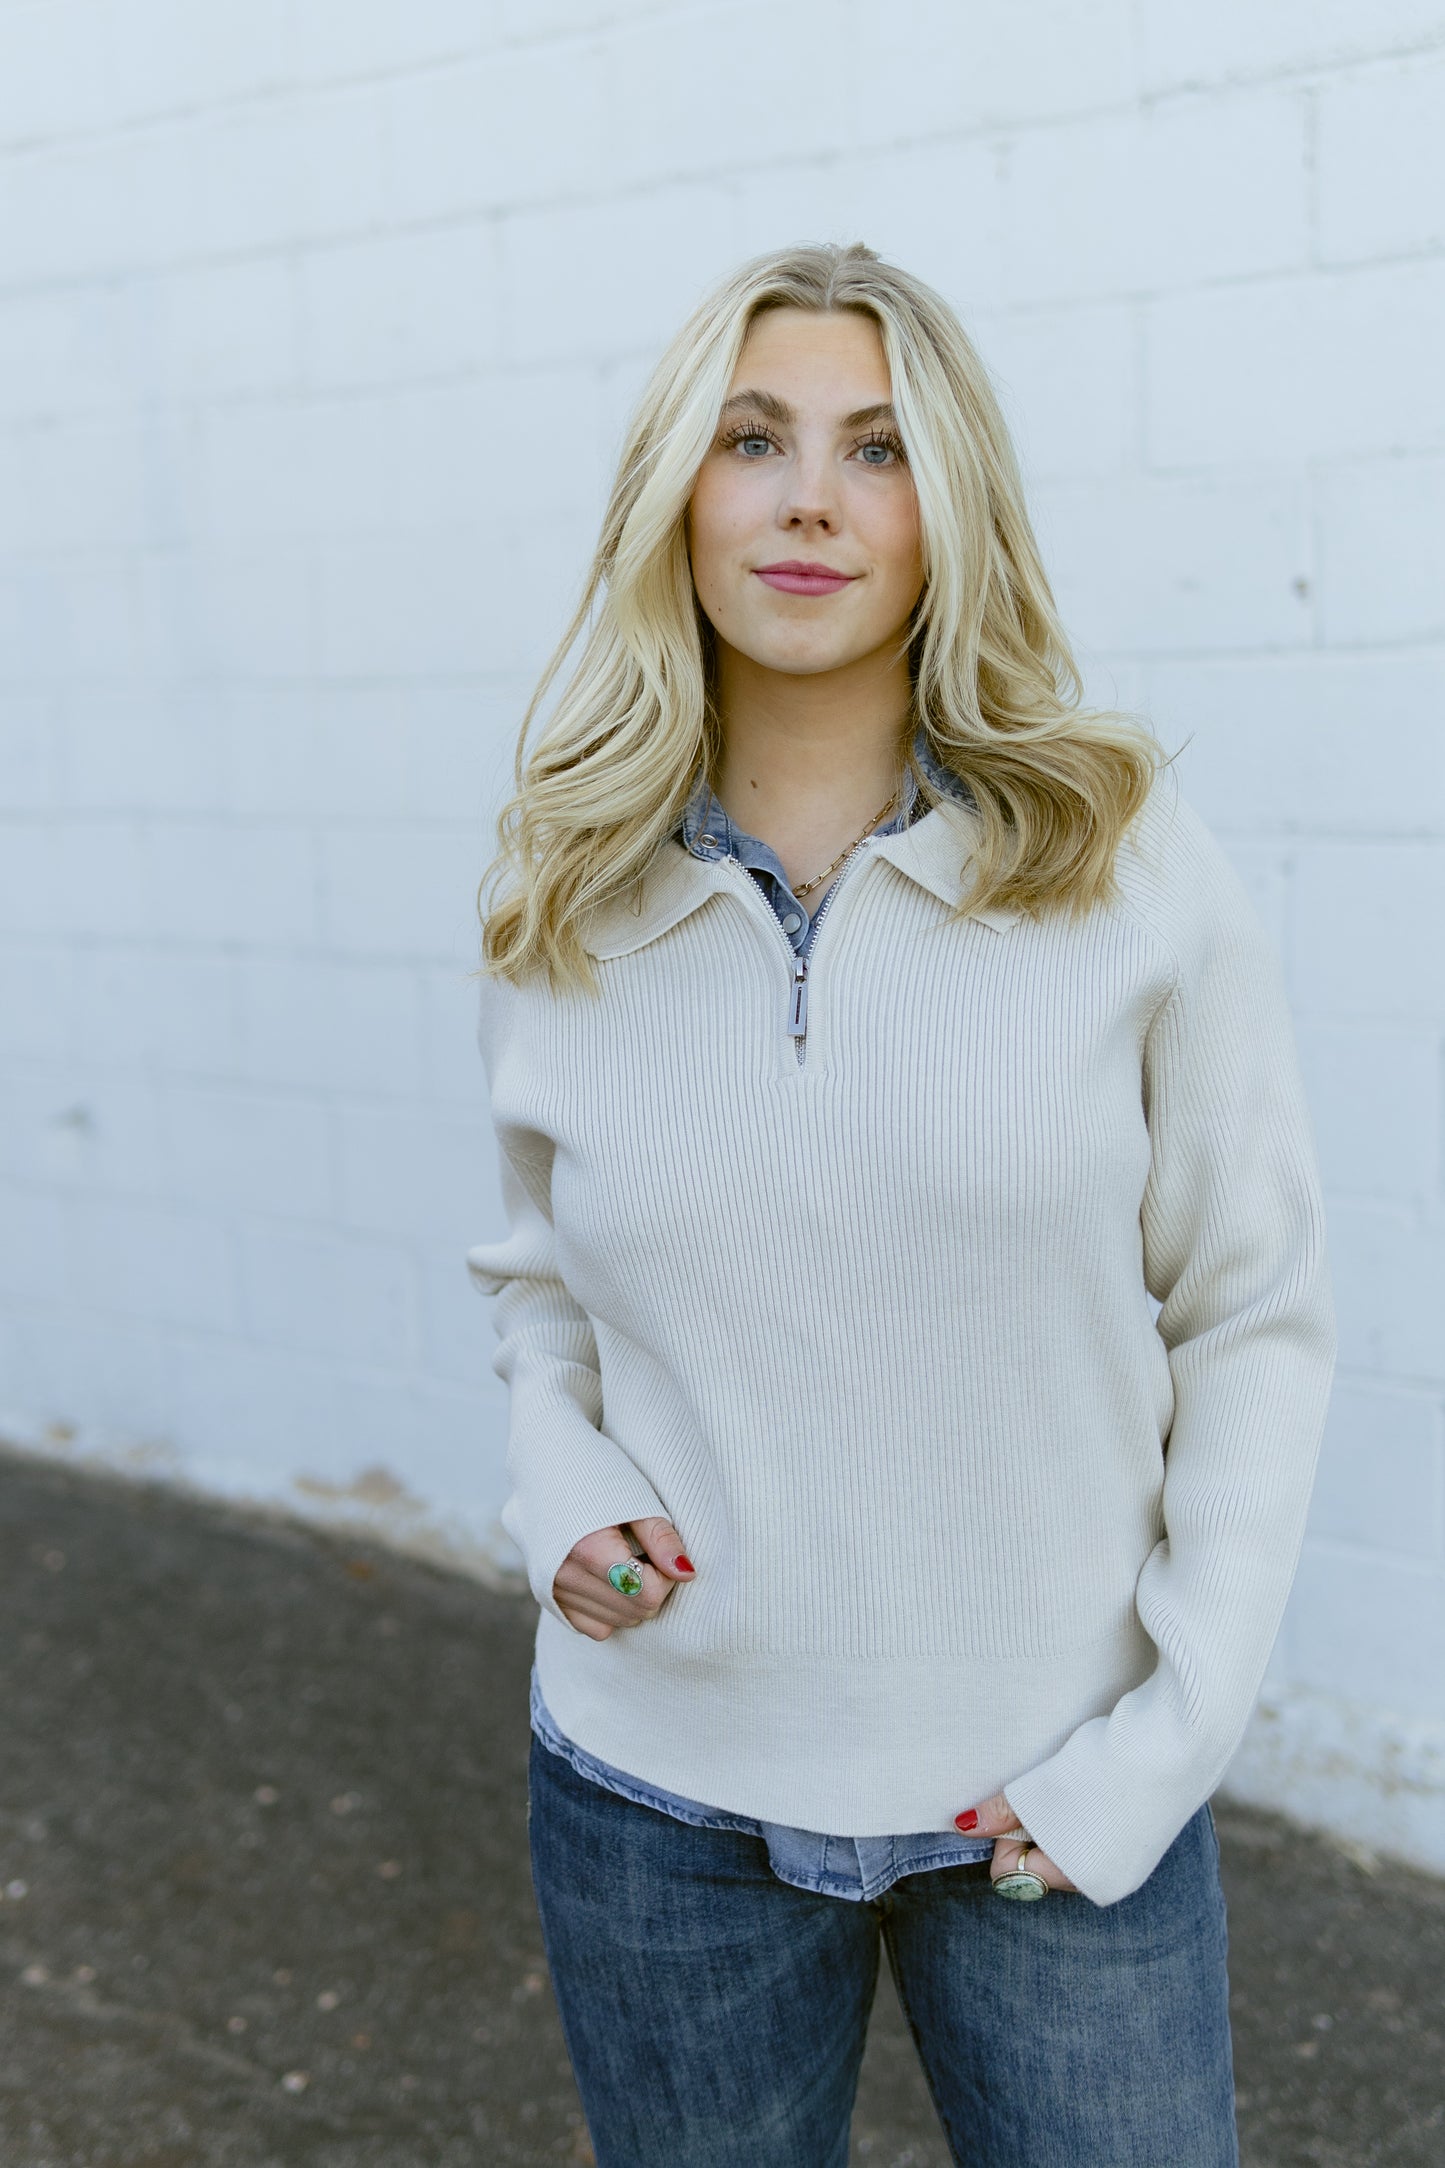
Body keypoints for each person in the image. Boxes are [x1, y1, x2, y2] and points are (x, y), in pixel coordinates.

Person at [466, 242, 1335, 2168]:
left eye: (875, 449)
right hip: (656, 1799)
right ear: (673, 493)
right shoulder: (561, 882)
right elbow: (540, 1287)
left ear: (950, 511)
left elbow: (1252, 1315)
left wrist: (1162, 1749)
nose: (804, 497)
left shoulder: (1124, 864)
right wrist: (561, 1480)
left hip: (1053, 1809)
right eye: (751, 438)